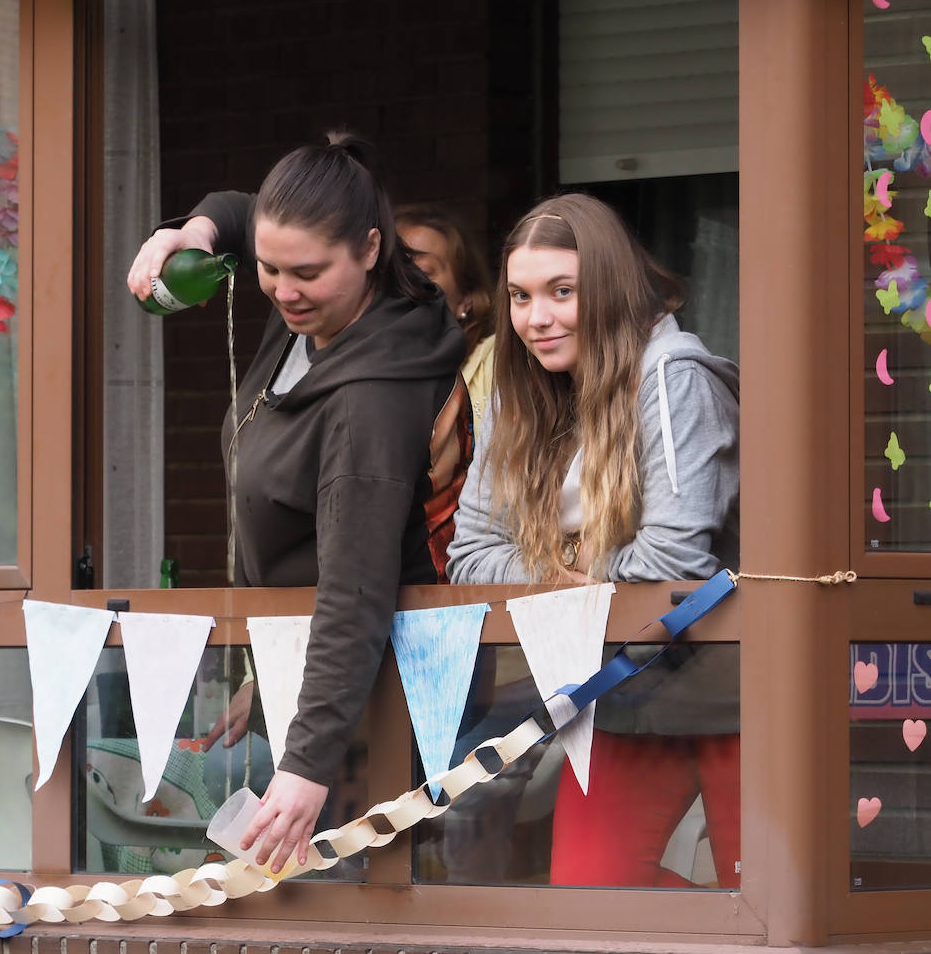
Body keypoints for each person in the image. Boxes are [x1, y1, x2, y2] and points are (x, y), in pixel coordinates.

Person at [127, 133, 467, 874]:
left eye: (307, 273)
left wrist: (306, 764)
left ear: (372, 248)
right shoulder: (316, 304)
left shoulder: (372, 401)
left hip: (368, 710)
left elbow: (355, 589)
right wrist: (189, 232)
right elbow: (241, 211)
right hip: (306, 681)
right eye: (268, 269)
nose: (284, 291)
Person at [445, 192, 740, 887]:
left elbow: (673, 564)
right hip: (623, 689)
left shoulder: (675, 376)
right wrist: (576, 568)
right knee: (591, 896)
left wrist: (560, 565)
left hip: (738, 690)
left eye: (561, 291)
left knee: (757, 903)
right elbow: (471, 555)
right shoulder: (519, 392)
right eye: (519, 295)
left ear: (607, 287)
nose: (535, 317)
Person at [395, 205, 496, 442]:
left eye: (422, 271)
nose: (403, 284)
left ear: (467, 298)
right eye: (392, 271)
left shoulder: (497, 362)